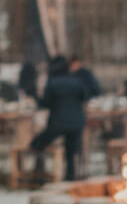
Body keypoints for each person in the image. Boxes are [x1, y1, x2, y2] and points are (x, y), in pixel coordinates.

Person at [30, 54, 101, 184]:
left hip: (58, 122)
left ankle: (37, 172)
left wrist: (35, 96)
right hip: (76, 122)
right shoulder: (76, 81)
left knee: (37, 143)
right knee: (71, 151)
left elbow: (45, 103)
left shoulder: (52, 83)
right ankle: (70, 177)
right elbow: (85, 96)